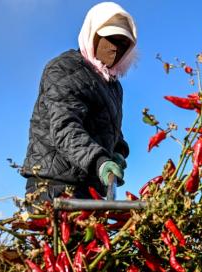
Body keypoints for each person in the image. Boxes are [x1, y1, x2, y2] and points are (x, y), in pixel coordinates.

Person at [20, 2, 138, 204]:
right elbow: (65, 127)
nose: (115, 49)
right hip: (53, 185)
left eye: (123, 44)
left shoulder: (112, 86)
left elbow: (111, 128)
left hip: (89, 187)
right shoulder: (64, 68)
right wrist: (100, 161)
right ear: (93, 34)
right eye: (110, 38)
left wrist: (118, 151)